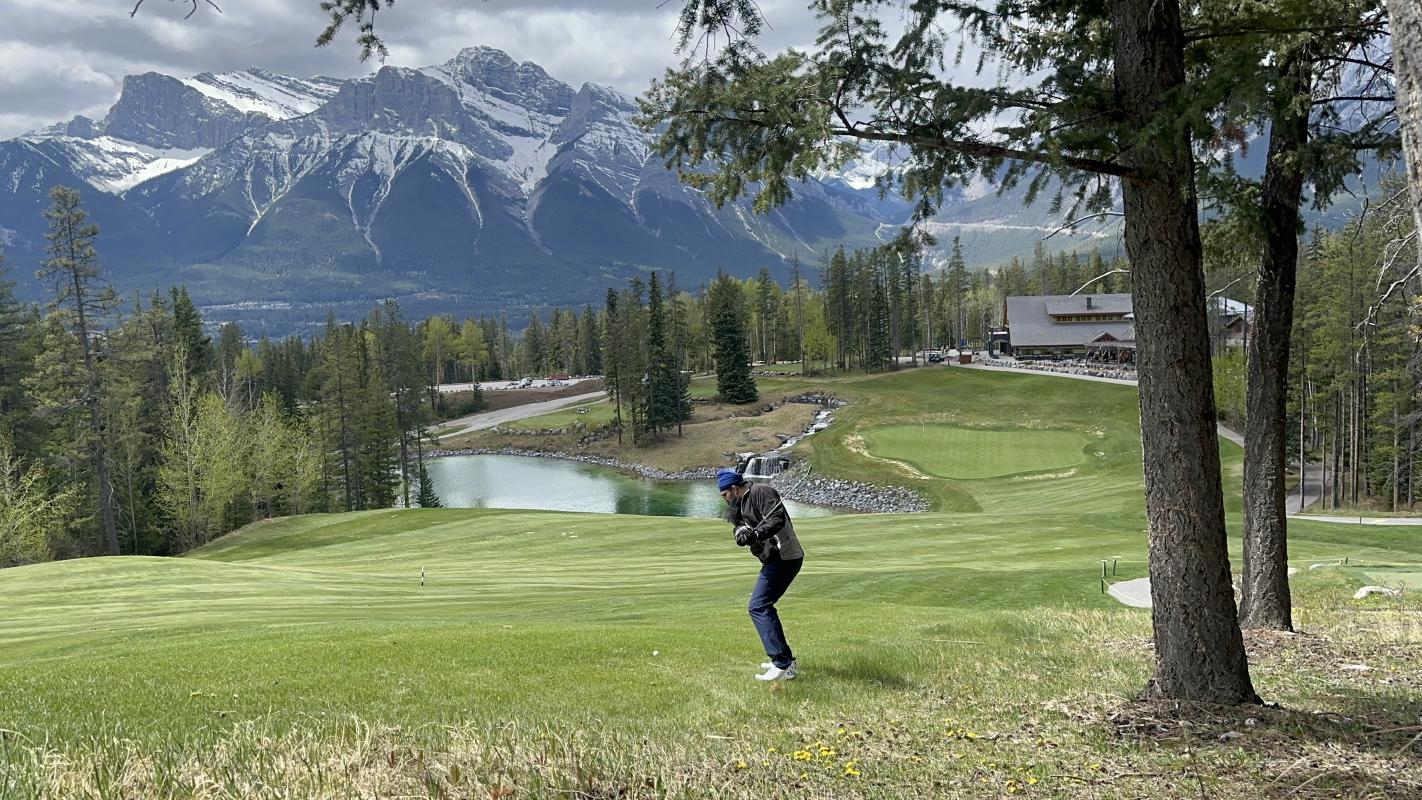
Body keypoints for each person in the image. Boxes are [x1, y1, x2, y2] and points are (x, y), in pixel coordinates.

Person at [717, 467, 804, 681]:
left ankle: (782, 663)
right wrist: (741, 534)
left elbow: (777, 520)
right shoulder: (739, 505)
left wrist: (757, 534)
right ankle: (786, 661)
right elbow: (739, 526)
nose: (724, 499)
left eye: (725, 494)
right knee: (761, 605)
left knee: (758, 606)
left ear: (734, 489)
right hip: (773, 559)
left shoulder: (762, 492)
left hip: (786, 557)